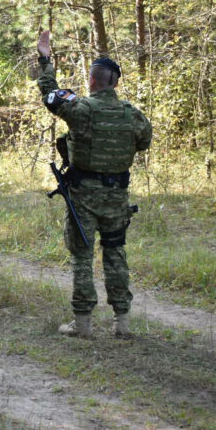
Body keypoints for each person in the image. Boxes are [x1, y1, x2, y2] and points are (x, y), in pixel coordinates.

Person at [36, 30, 152, 338]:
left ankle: (83, 324)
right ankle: (123, 323)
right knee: (115, 252)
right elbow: (144, 143)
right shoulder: (133, 114)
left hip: (84, 195)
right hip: (117, 197)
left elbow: (49, 93)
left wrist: (46, 58)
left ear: (91, 80)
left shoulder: (82, 109)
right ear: (115, 82)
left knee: (82, 256)